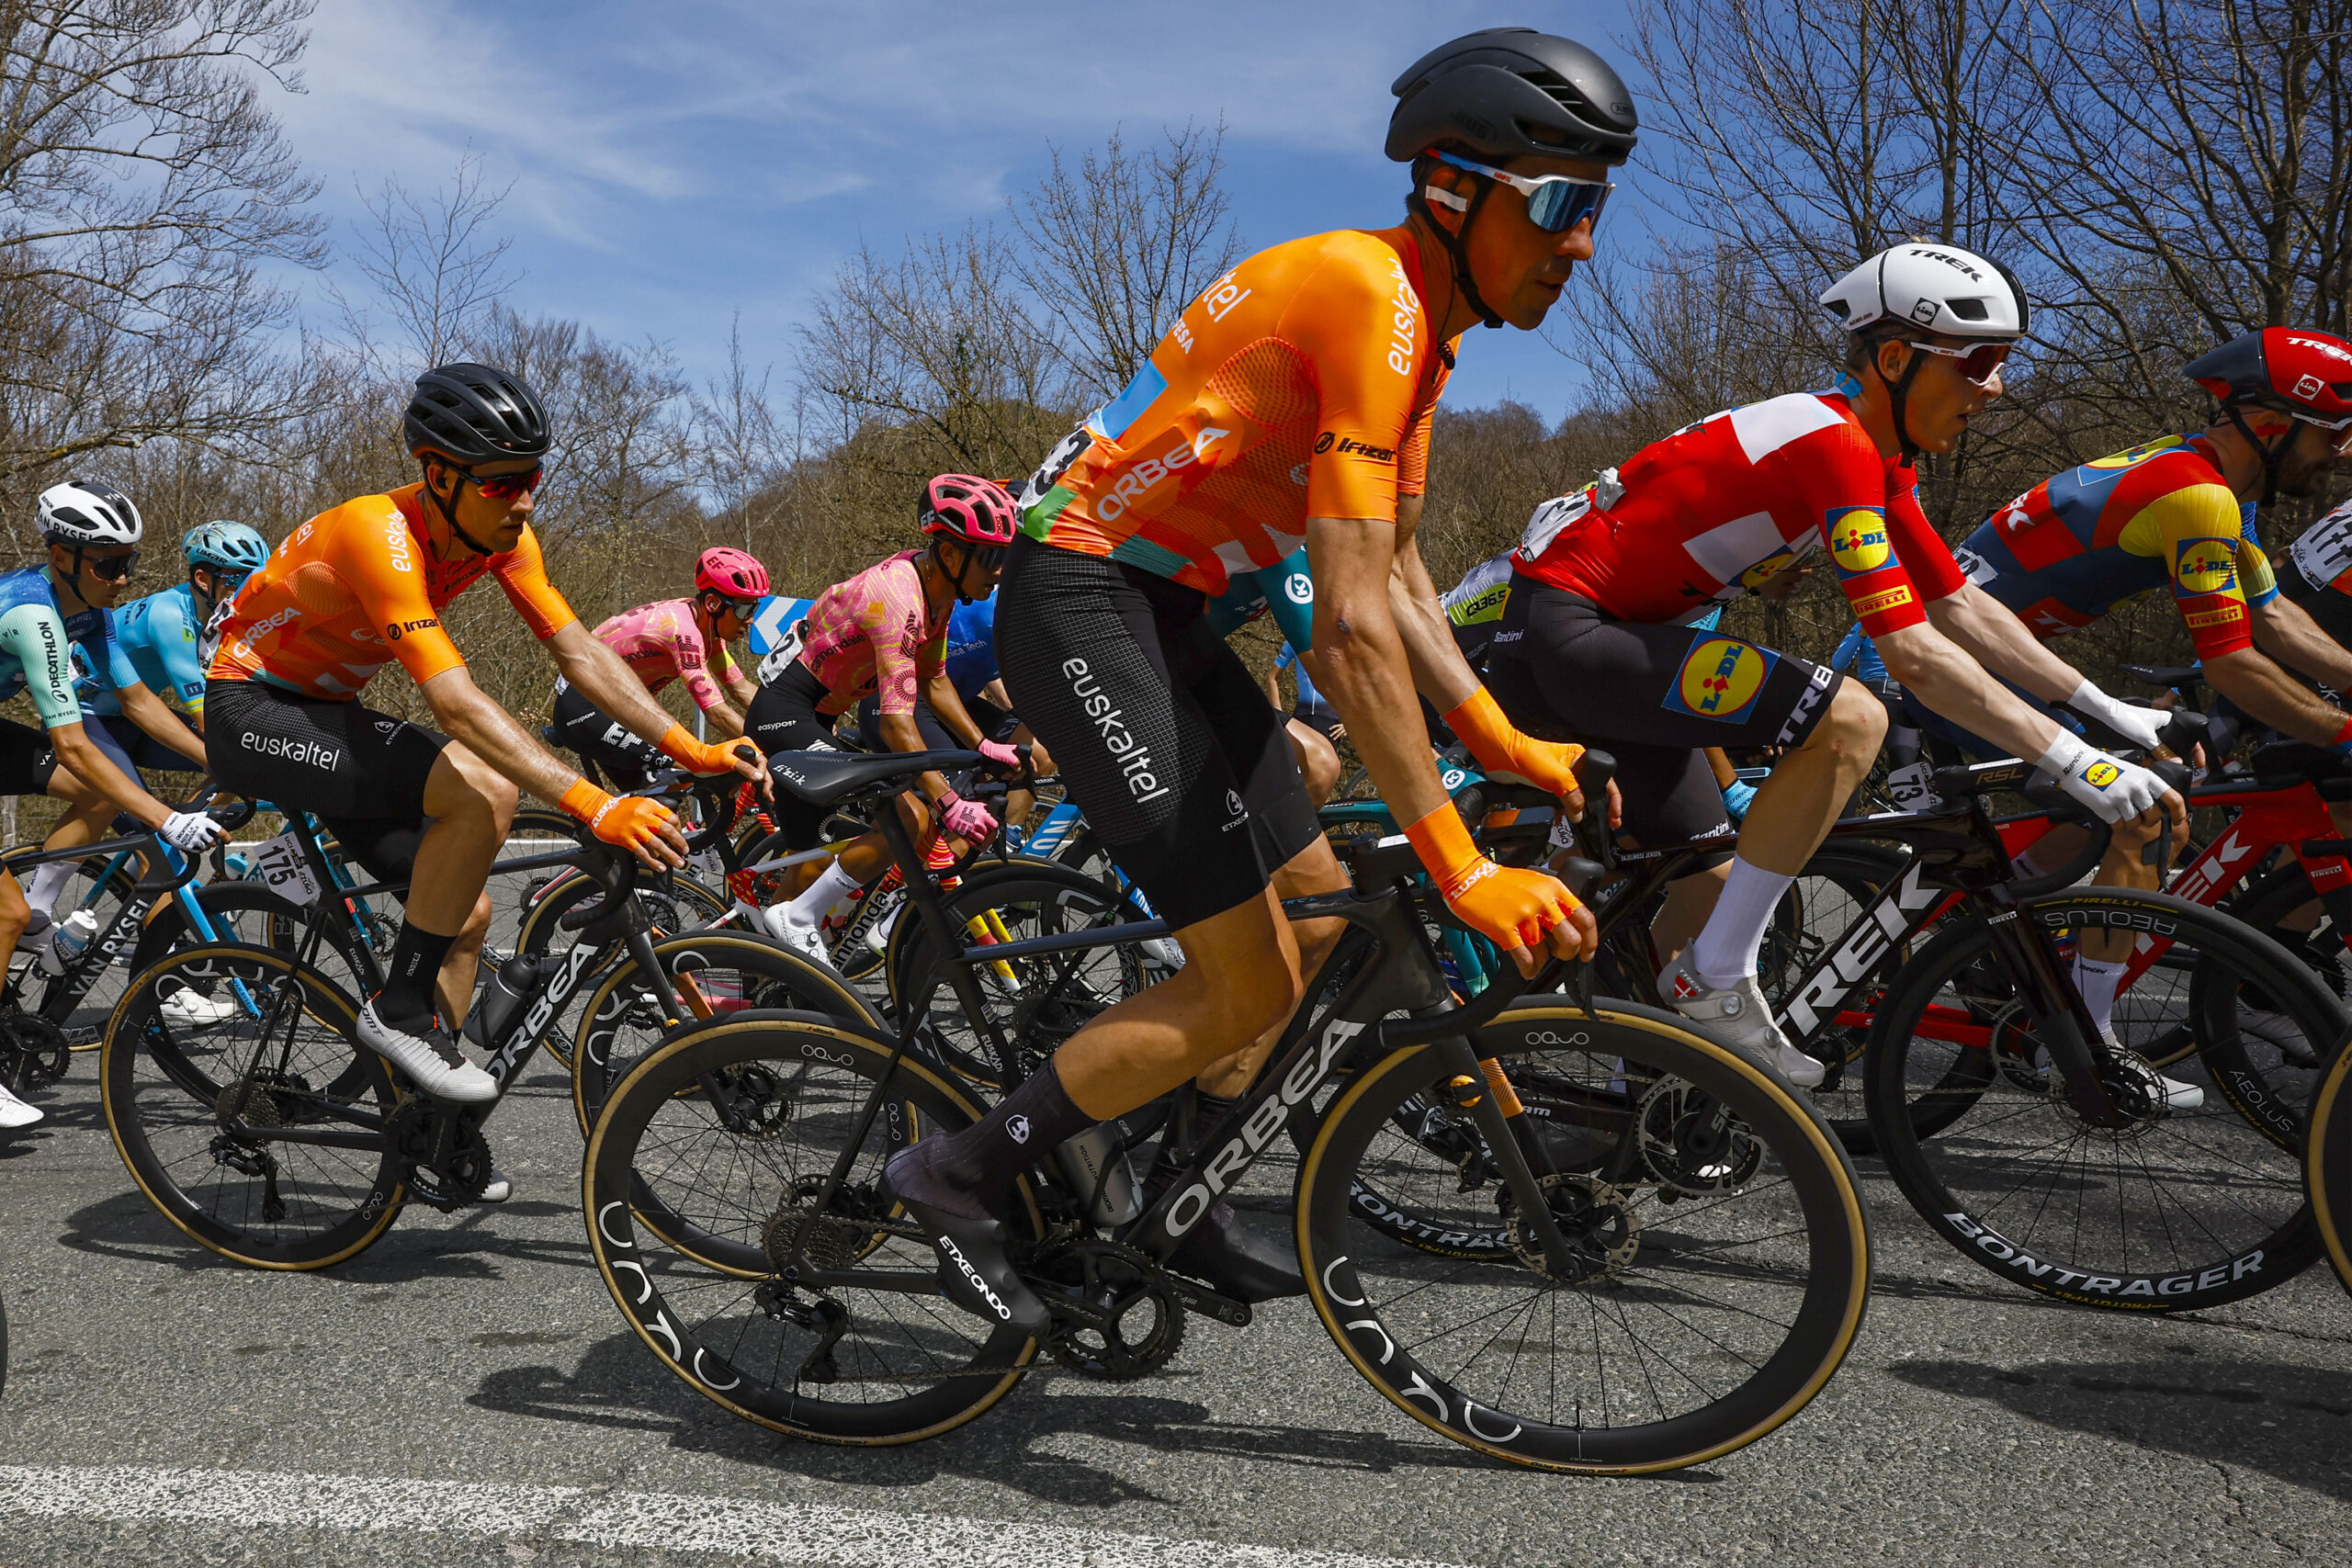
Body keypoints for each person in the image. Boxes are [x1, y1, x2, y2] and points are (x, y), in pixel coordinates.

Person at [884, 28, 1618, 1334]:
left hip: (1162, 612)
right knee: (1243, 979)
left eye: (1597, 208)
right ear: (1455, 186)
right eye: (1561, 204)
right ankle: (955, 1171)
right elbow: (1342, 634)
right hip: (1081, 595)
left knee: (1321, 924)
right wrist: (1463, 864)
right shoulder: (1365, 297)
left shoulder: (1424, 343)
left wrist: (1501, 735)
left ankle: (1172, 1184)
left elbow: (1391, 575)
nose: (1582, 246)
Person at [1489, 242, 2181, 1089]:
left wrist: (2108, 712)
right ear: (1895, 358)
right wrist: (2073, 761)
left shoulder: (1880, 458)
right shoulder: (1836, 445)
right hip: (1573, 633)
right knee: (1852, 716)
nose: (1996, 388)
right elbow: (1912, 655)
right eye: (1981, 362)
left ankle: (1639, 1107)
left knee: (1706, 884)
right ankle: (1667, 995)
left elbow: (1961, 606)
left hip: (1621, 638)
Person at [204, 363, 764, 1138]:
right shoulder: (378, 535)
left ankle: (425, 1125)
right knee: (481, 789)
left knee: (466, 914)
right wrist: (595, 804)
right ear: (438, 474)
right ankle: (399, 1010)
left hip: (326, 710)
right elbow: (457, 700)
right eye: (503, 483)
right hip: (250, 708)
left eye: (532, 477)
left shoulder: (505, 536)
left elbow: (578, 652)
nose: (526, 499)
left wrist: (687, 748)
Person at [1948, 327, 2352, 1068]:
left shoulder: (2214, 481)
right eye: (2333, 434)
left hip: (1981, 654)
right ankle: (2081, 1046)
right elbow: (2231, 664)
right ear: (2269, 427)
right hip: (1943, 659)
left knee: (2145, 786)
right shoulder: (2196, 497)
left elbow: (2271, 615)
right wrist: (2343, 734)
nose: (2344, 453)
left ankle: (2003, 932)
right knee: (2147, 806)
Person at [0, 481, 233, 1130]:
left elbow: (136, 702)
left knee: (98, 792)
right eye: (109, 563)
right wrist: (166, 817)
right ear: (59, 554)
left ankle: (40, 919)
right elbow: (73, 742)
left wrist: (217, 760)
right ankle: (25, 919)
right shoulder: (32, 614)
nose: (124, 577)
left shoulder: (86, 607)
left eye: (128, 560)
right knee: (3, 908)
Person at [743, 474, 1023, 962]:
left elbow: (935, 681)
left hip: (817, 716)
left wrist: (981, 743)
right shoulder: (898, 599)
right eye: (992, 557)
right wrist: (949, 800)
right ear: (952, 555)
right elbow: (896, 724)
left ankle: (766, 971)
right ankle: (799, 917)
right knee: (910, 815)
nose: (999, 572)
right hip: (784, 712)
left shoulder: (938, 594)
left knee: (806, 857)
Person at [854, 583, 1057, 843]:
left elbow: (995, 676)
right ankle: (948, 870)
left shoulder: (1017, 610)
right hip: (901, 703)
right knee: (974, 815)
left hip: (951, 700)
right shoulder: (998, 613)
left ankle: (1004, 837)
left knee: (1039, 750)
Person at [550, 547, 768, 790]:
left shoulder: (709, 632)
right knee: (691, 765)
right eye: (744, 609)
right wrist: (765, 749)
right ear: (713, 603)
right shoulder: (682, 631)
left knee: (664, 799)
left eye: (754, 609)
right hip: (582, 707)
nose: (750, 619)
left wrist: (785, 723)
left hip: (615, 712)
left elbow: (739, 689)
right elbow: (716, 712)